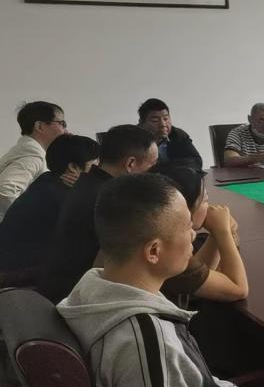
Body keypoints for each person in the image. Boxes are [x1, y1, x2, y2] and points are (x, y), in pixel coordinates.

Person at [57, 174, 264, 387]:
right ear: (154, 251)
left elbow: (187, 375)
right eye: (186, 228)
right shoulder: (145, 343)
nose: (193, 235)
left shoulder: (100, 290)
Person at [38, 125, 159, 303]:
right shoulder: (114, 201)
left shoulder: (87, 183)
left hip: (56, 292)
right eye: (152, 165)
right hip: (77, 302)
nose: (155, 172)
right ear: (130, 164)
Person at [0, 135, 99, 277]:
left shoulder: (47, 180)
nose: (98, 170)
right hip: (19, 275)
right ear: (73, 167)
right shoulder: (63, 197)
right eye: (95, 164)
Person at [150, 164, 250, 304]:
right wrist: (223, 232)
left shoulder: (156, 234)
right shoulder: (169, 250)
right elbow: (238, 289)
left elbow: (196, 278)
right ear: (183, 207)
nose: (209, 207)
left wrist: (215, 234)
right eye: (205, 201)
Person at [0, 101, 67, 220]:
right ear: (40, 126)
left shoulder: (28, 150)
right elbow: (5, 193)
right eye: (62, 124)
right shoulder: (33, 155)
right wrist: (27, 221)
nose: (65, 130)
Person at [137, 98, 204, 170]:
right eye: (155, 120)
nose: (163, 124)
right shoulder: (133, 138)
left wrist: (164, 168)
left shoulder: (178, 134)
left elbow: (196, 161)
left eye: (166, 119)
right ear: (141, 123)